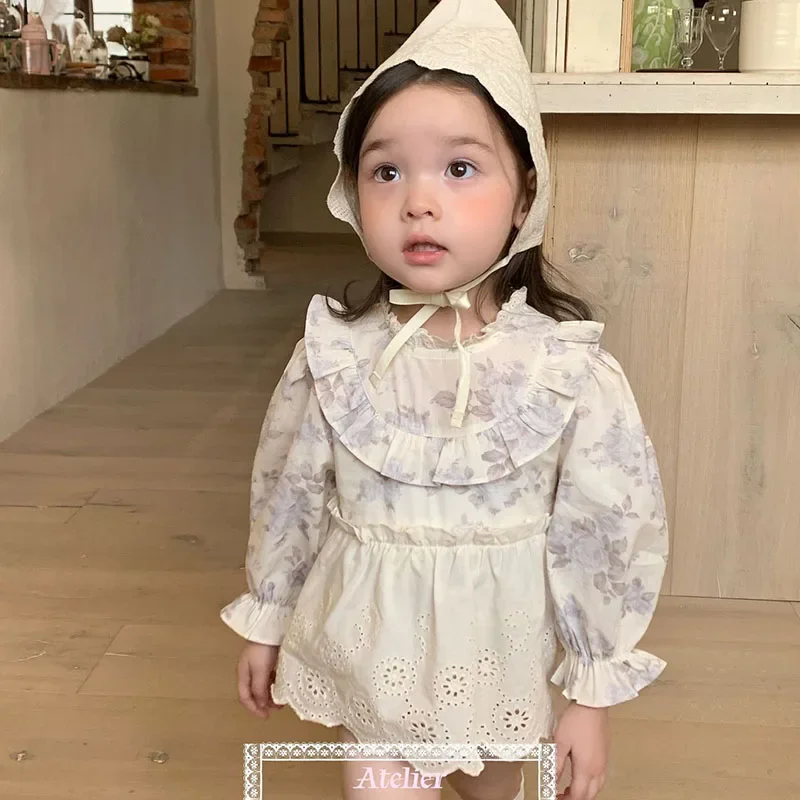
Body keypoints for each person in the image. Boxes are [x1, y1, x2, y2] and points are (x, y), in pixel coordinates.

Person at [221, 1, 669, 798]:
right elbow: (289, 497)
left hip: (502, 662)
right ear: (352, 194)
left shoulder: (567, 372)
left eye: (460, 169)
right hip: (372, 656)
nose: (418, 202)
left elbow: (606, 530)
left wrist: (589, 694)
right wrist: (267, 616)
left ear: (524, 196)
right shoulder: (334, 358)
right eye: (386, 171)